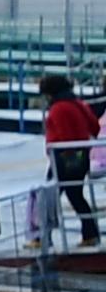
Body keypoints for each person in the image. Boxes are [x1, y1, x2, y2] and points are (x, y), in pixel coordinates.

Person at [47, 73, 100, 250]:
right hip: (82, 155)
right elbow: (95, 125)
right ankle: (91, 233)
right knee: (76, 195)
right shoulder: (79, 104)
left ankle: (42, 236)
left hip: (62, 157)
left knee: (49, 197)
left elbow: (63, 134)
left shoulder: (57, 108)